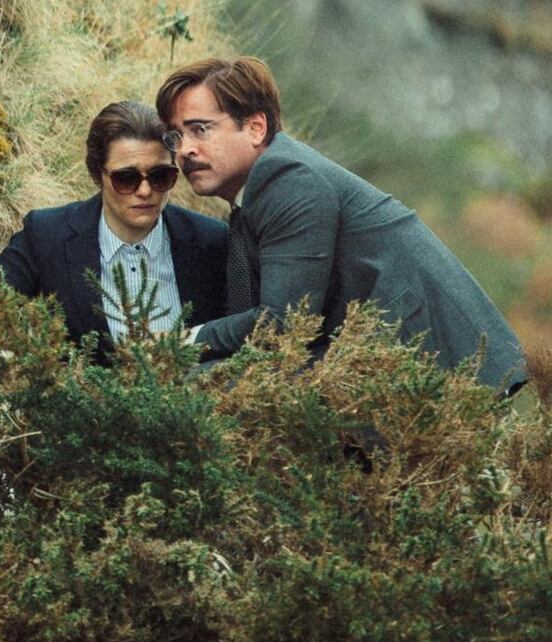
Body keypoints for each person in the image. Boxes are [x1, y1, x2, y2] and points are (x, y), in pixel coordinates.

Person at [155, 56, 527, 394]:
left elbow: (285, 325)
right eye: (176, 136)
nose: (184, 149)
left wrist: (187, 340)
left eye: (200, 129)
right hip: (391, 358)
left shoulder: (287, 179)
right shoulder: (257, 193)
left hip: (442, 361)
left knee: (204, 389)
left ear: (255, 127)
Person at [0, 100, 228, 359]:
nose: (145, 191)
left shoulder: (212, 241)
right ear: (98, 176)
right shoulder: (46, 235)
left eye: (160, 176)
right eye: (126, 178)